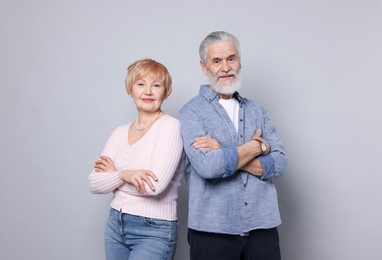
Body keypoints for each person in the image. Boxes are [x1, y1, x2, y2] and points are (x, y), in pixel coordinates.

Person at [179, 31, 288, 260]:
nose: (225, 67)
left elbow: (280, 164)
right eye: (216, 61)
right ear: (204, 67)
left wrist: (224, 151)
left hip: (262, 227)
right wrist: (258, 148)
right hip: (212, 230)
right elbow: (209, 168)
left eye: (231, 58)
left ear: (239, 62)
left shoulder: (258, 110)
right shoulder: (190, 112)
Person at [89, 58, 185, 260]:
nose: (148, 91)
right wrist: (126, 175)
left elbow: (154, 187)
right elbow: (94, 183)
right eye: (141, 84)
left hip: (154, 230)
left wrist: (113, 178)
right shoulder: (119, 132)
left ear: (165, 92)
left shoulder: (170, 127)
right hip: (116, 225)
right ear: (130, 89)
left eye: (156, 85)